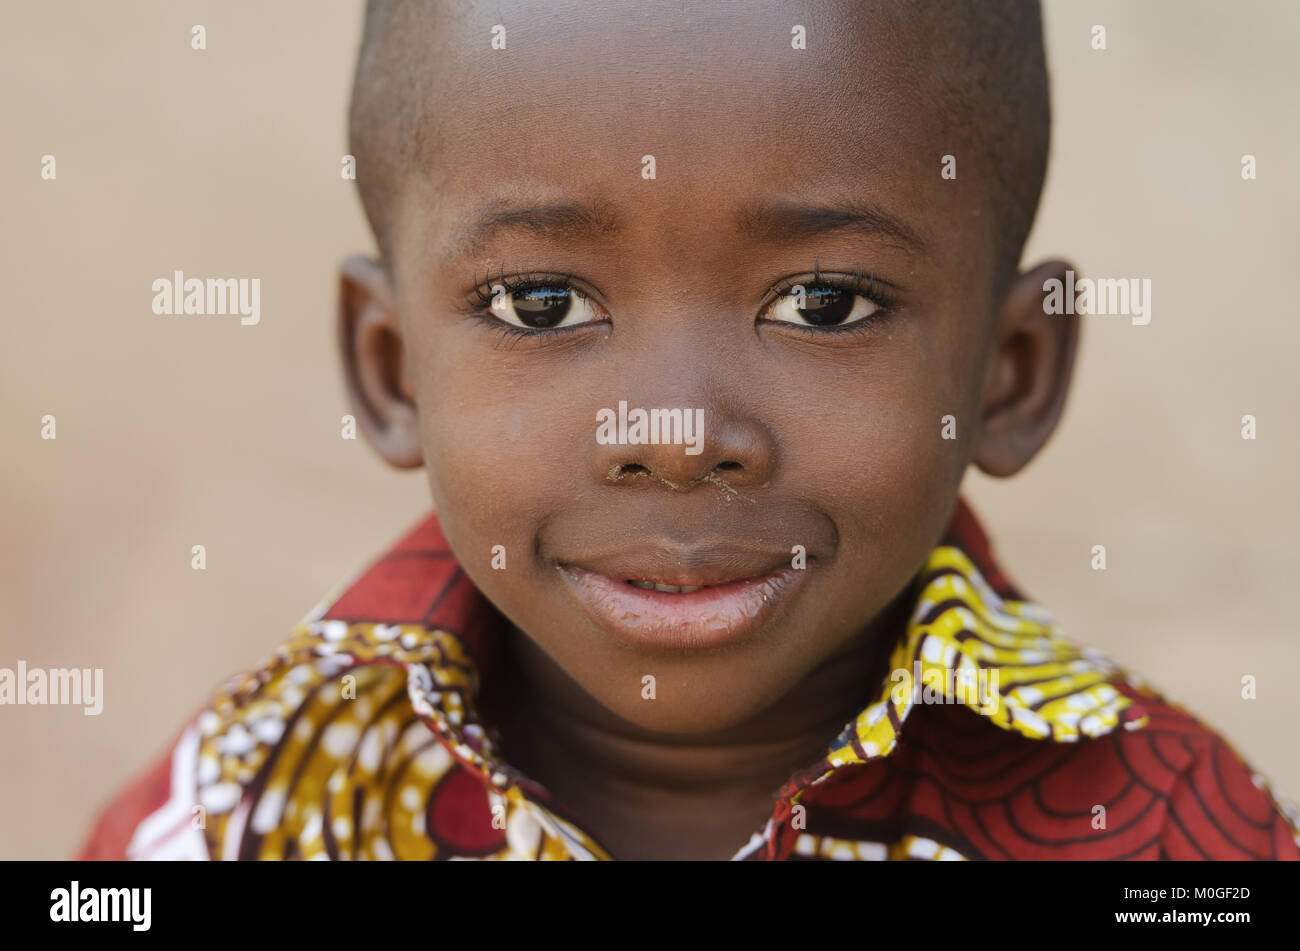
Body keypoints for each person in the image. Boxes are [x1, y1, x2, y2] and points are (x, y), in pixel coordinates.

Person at [77, 0, 1299, 861]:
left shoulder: (1174, 841)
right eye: (541, 304)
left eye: (824, 305)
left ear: (1010, 374)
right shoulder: (240, 814)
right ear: (390, 368)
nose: (674, 435)